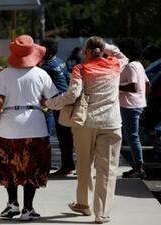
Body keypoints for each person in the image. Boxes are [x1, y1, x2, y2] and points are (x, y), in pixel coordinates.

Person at [45, 36, 128, 224]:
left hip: (86, 123)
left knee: (84, 165)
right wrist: (106, 46)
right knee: (107, 169)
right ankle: (102, 213)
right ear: (102, 50)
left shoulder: (81, 69)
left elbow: (72, 94)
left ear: (87, 52)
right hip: (111, 123)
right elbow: (124, 57)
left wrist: (50, 103)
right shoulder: (115, 64)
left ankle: (83, 204)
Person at [0, 34, 58, 221]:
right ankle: (28, 208)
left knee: (10, 165)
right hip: (35, 124)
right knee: (32, 168)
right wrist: (42, 103)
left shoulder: (4, 74)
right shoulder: (41, 74)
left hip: (10, 126)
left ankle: (12, 204)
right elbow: (51, 99)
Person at [40, 39, 75, 175]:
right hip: (65, 101)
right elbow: (67, 79)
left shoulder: (47, 66)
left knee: (63, 136)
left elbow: (32, 75)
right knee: (66, 136)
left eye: (43, 48)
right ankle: (68, 165)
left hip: (58, 103)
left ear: (48, 49)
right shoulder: (60, 61)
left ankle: (67, 167)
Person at [118, 38, 151, 179]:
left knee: (132, 137)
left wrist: (114, 86)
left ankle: (139, 168)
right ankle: (137, 166)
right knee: (132, 136)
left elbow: (133, 86)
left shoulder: (131, 66)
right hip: (136, 104)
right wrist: (143, 99)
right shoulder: (139, 65)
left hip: (130, 106)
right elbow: (148, 85)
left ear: (127, 52)